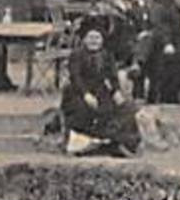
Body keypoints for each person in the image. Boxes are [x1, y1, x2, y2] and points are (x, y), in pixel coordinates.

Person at [60, 22, 140, 157]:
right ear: (84, 40)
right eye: (90, 38)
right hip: (78, 92)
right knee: (82, 109)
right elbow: (76, 77)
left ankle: (120, 142)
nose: (94, 41)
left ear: (102, 41)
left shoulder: (106, 55)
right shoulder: (77, 55)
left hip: (100, 90)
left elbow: (112, 76)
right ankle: (83, 142)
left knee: (125, 108)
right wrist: (86, 94)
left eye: (97, 38)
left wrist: (116, 91)